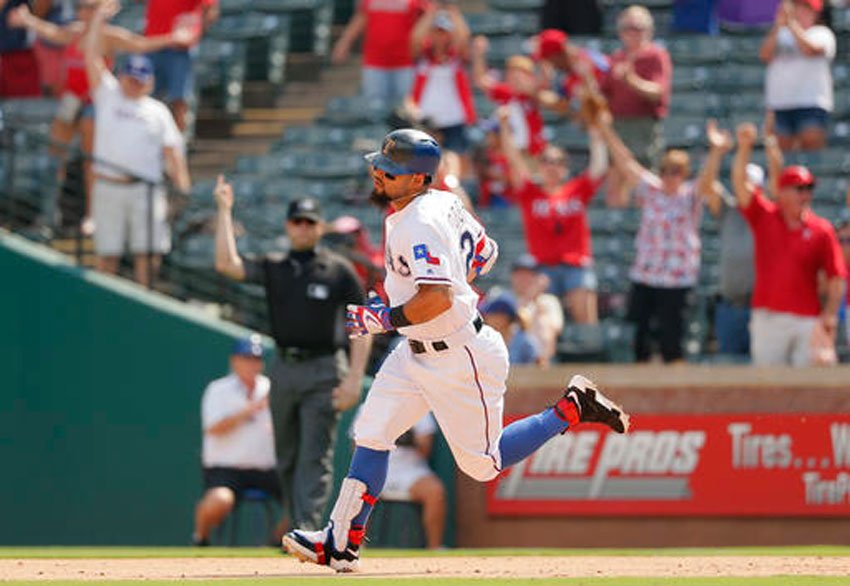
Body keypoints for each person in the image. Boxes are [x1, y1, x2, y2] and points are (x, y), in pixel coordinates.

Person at [281, 128, 629, 572]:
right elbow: (488, 253)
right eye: (379, 164)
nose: (379, 173)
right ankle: (339, 543)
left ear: (418, 178)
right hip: (416, 350)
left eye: (391, 169)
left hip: (459, 353)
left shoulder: (419, 220)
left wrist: (384, 318)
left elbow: (439, 299)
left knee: (484, 465)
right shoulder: (441, 201)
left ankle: (570, 409)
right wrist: (425, 286)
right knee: (371, 432)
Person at [214, 183, 372, 532]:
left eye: (309, 222)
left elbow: (362, 324)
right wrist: (225, 210)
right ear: (288, 226)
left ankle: (307, 528)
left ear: (320, 227)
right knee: (286, 456)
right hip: (284, 367)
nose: (303, 227)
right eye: (297, 221)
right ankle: (297, 521)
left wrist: (354, 378)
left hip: (325, 368)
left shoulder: (338, 270)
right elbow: (227, 264)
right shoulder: (275, 265)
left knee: (314, 455)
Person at [8, 0, 190, 232]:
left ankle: (92, 217)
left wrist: (173, 38)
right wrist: (28, 21)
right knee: (54, 157)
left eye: (90, 6)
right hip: (70, 100)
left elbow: (140, 44)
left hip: (95, 103)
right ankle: (48, 213)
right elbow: (52, 33)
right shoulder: (74, 31)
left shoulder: (110, 36)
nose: (84, 10)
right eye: (82, 6)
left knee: (91, 162)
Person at [598, 115, 724, 364]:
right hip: (646, 275)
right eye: (666, 170)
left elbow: (707, 180)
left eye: (676, 172)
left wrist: (716, 152)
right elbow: (625, 161)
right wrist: (605, 129)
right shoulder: (651, 189)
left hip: (677, 279)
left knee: (672, 341)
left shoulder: (690, 195)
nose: (670, 176)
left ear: (684, 174)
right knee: (640, 339)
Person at [83, 0, 191, 285]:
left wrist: (182, 186)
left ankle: (145, 306)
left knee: (148, 255)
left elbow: (173, 151)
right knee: (107, 256)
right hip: (109, 185)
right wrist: (98, 20)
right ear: (122, 76)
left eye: (140, 79)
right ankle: (101, 309)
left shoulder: (158, 111)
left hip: (145, 189)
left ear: (150, 82)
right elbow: (91, 55)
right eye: (131, 78)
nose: (135, 83)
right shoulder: (107, 95)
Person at [732, 122, 846, 366]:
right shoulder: (764, 216)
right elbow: (741, 186)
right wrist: (744, 148)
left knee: (807, 390)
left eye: (808, 189)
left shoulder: (821, 229)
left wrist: (829, 316)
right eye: (798, 189)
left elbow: (837, 276)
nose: (805, 195)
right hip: (768, 317)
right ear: (781, 192)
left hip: (807, 319)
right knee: (768, 387)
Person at [498, 104, 608, 324]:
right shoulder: (530, 192)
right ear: (539, 166)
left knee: (585, 311)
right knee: (541, 314)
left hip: (576, 265)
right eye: (547, 161)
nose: (552, 166)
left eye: (558, 162)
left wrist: (597, 131)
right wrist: (504, 125)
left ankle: (589, 354)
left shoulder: (577, 190)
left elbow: (599, 167)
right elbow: (513, 159)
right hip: (543, 268)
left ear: (565, 168)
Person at [192, 335, 280, 547]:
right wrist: (249, 410)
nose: (252, 363)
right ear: (234, 361)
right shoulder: (218, 389)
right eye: (246, 358)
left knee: (303, 499)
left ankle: (275, 544)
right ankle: (200, 537)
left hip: (266, 470)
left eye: (256, 359)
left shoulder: (272, 388)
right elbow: (213, 428)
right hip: (225, 470)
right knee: (220, 501)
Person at [600, 5, 672, 203]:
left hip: (643, 127)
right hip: (617, 126)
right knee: (615, 184)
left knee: (645, 182)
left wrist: (631, 79)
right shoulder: (615, 58)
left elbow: (658, 91)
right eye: (627, 27)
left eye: (638, 27)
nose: (632, 33)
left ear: (649, 30)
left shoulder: (656, 55)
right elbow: (603, 95)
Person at [760, 0, 835, 152]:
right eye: (798, 8)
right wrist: (778, 25)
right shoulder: (780, 33)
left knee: (811, 149)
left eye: (805, 9)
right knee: (780, 154)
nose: (800, 12)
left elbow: (811, 50)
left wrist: (792, 24)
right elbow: (764, 55)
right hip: (779, 103)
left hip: (811, 101)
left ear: (815, 13)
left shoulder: (822, 33)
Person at [332, 0, 428, 111]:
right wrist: (344, 43)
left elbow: (426, 19)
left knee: (405, 110)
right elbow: (361, 17)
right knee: (374, 108)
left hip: (406, 63)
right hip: (375, 61)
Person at [406, 6, 474, 155]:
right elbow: (415, 38)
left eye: (443, 32)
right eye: (436, 32)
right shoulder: (422, 57)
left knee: (456, 159)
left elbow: (464, 38)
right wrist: (431, 12)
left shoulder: (456, 57)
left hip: (454, 119)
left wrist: (453, 11)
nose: (440, 37)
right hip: (425, 119)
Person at [143, 0, 219, 132]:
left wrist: (196, 32)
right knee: (145, 97)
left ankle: (179, 144)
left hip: (179, 49)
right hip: (152, 44)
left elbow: (211, 10)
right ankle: (148, 141)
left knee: (179, 99)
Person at [376, 412, 446, 549]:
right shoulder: (370, 406)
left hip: (411, 472)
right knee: (357, 490)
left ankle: (434, 548)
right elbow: (357, 448)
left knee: (435, 492)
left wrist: (409, 437)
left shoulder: (421, 410)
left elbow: (426, 450)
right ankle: (356, 548)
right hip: (379, 469)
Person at [471, 35, 546, 156]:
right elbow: (481, 81)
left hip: (534, 152)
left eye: (520, 73)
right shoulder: (506, 92)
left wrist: (540, 53)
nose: (515, 78)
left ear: (530, 77)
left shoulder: (533, 94)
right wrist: (478, 54)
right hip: (512, 154)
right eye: (512, 73)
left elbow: (544, 80)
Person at [507, 254, 564, 366]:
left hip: (539, 357)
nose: (523, 278)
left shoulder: (548, 300)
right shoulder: (502, 297)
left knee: (544, 320)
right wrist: (529, 296)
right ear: (512, 276)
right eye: (519, 274)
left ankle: (540, 366)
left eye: (528, 274)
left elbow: (556, 329)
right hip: (509, 355)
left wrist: (533, 298)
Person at [481, 294, 540, 365]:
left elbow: (538, 368)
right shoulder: (485, 339)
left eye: (491, 314)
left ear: (503, 317)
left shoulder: (524, 341)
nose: (486, 317)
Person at [0, 0, 43, 97]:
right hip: (5, 58)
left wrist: (28, 19)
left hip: (20, 58)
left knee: (26, 104)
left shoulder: (20, 3)